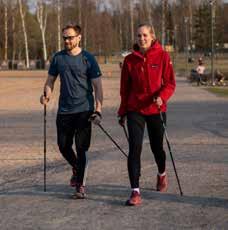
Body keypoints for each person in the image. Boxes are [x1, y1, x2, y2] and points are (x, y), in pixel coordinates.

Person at [40, 24, 103, 199]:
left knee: (82, 148)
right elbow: (50, 81)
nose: (67, 40)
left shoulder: (88, 58)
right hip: (64, 110)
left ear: (79, 37)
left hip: (84, 110)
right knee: (63, 145)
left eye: (70, 37)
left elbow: (98, 86)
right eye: (65, 38)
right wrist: (46, 94)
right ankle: (76, 167)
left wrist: (98, 110)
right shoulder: (58, 58)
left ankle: (80, 186)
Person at [118, 23, 176, 206]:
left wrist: (162, 97)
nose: (141, 39)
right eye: (138, 36)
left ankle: (161, 173)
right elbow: (124, 89)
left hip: (156, 108)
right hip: (135, 109)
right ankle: (135, 191)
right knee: (134, 148)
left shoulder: (163, 56)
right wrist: (122, 111)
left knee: (157, 147)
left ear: (152, 36)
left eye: (144, 35)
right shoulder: (129, 60)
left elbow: (170, 83)